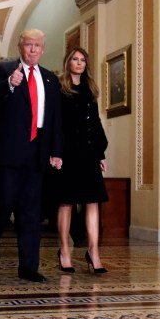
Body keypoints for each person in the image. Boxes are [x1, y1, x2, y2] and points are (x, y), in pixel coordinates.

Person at [0, 29, 63, 283]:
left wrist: (57, 151)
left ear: (43, 49)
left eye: (37, 45)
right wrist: (9, 85)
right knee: (1, 206)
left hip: (36, 154)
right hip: (7, 154)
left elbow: (55, 117)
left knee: (30, 213)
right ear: (20, 47)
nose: (33, 49)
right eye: (28, 45)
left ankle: (28, 267)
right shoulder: (4, 70)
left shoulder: (50, 79)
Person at [55, 48, 109, 274]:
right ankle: (65, 251)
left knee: (92, 201)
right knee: (66, 202)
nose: (79, 63)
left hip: (88, 153)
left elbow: (95, 123)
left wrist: (100, 154)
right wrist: (55, 152)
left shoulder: (91, 89)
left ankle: (93, 252)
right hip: (68, 153)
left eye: (83, 60)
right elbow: (55, 122)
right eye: (75, 59)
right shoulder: (59, 88)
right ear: (68, 62)